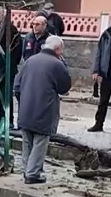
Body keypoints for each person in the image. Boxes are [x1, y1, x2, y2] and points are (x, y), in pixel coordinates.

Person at [14, 35, 72, 184]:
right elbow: (65, 86)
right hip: (45, 109)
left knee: (27, 141)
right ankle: (33, 173)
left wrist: (23, 101)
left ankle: (27, 169)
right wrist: (63, 64)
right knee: (40, 142)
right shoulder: (57, 64)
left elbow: (17, 86)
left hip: (26, 108)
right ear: (58, 49)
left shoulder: (30, 61)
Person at [0, 4, 21, 126]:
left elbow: (17, 50)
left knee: (6, 93)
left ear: (4, 15)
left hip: (7, 66)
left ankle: (9, 118)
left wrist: (10, 64)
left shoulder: (12, 30)